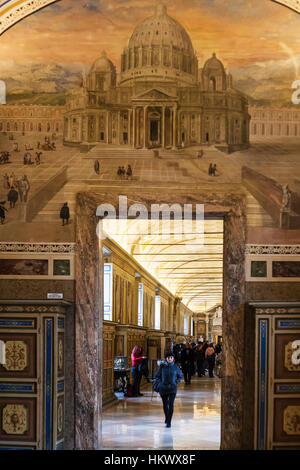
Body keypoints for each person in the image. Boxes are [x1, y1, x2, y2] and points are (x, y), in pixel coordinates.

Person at [153, 352, 182, 428]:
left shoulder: (176, 367)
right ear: (166, 359)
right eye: (168, 357)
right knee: (165, 404)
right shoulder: (162, 367)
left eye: (171, 357)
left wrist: (176, 382)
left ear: (173, 359)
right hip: (163, 388)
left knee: (171, 404)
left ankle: (169, 421)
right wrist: (160, 383)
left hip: (172, 388)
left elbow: (180, 376)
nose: (170, 359)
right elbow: (157, 376)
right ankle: (167, 417)